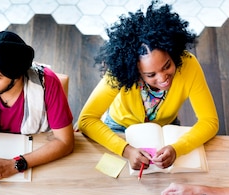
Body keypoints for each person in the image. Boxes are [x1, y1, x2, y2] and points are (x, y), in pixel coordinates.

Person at [78, 0, 218, 171]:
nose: (163, 79)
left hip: (165, 127)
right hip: (119, 126)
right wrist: (125, 150)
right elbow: (86, 120)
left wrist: (177, 148)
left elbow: (210, 122)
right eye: (151, 75)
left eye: (167, 66)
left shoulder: (189, 65)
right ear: (135, 72)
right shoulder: (121, 71)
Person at [0, 30, 74, 182]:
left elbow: (65, 142)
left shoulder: (47, 83)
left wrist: (15, 164)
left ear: (18, 76)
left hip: (37, 162)